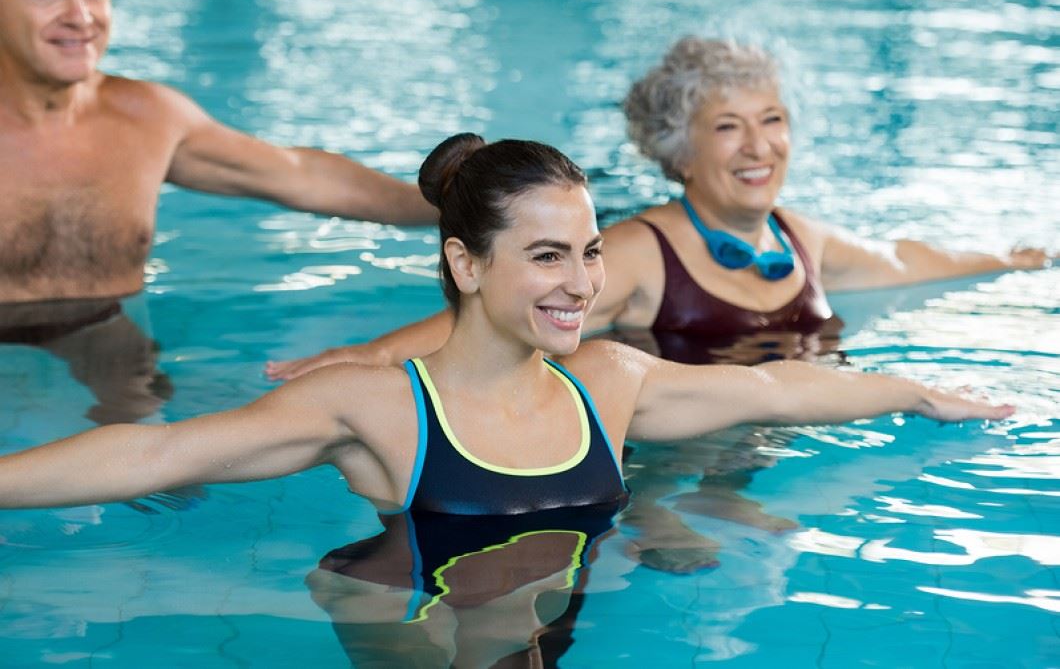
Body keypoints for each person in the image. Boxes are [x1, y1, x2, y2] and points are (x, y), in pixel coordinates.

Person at [0, 134, 1014, 659]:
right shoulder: (383, 408)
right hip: (407, 618)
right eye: (543, 257)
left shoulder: (608, 386)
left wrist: (924, 392)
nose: (579, 282)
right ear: (467, 263)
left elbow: (779, 394)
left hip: (537, 626)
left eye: (584, 253)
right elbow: (158, 455)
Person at [266, 36, 1049, 378]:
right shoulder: (637, 252)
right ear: (679, 150)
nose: (759, 147)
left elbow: (904, 262)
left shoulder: (798, 236)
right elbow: (485, 322)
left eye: (772, 121)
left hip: (782, 442)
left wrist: (1010, 262)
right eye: (728, 127)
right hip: (667, 467)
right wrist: (354, 360)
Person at [0, 0, 436, 307]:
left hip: (115, 356)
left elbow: (301, 173)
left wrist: (456, 202)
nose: (81, 17)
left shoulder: (147, 119)